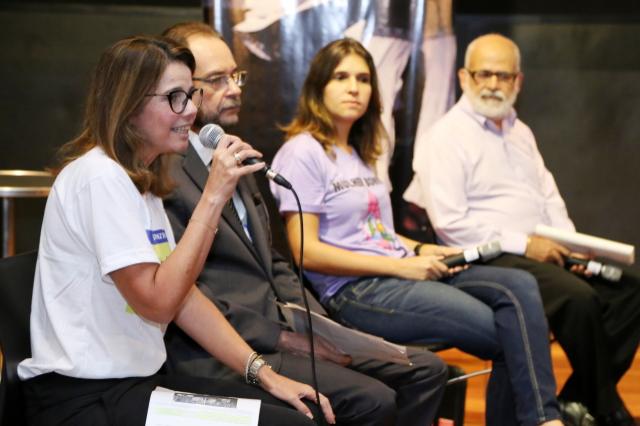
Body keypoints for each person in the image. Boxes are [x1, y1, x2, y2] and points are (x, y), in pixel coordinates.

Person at [16, 35, 335, 426]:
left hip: (136, 386)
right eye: (175, 98)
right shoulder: (99, 177)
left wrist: (265, 375)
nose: (191, 111)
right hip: (84, 398)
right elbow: (159, 303)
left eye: (191, 95)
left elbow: (185, 297)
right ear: (129, 105)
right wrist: (213, 197)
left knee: (296, 409)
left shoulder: (141, 182)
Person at [160, 21, 448, 426]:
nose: (235, 88)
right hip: (222, 350)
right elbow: (185, 292)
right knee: (374, 400)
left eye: (236, 76)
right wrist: (282, 337)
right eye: (218, 79)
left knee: (427, 371)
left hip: (280, 327)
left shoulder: (230, 152)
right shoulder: (164, 173)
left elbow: (274, 262)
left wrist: (318, 326)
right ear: (180, 90)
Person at [270, 37, 563, 426]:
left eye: (363, 79)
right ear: (318, 86)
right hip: (356, 291)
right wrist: (401, 267)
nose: (354, 88)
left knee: (520, 285)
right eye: (341, 77)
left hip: (398, 270)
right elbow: (306, 251)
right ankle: (544, 419)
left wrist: (422, 249)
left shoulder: (359, 151)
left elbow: (377, 232)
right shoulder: (303, 151)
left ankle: (543, 418)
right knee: (512, 335)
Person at [403, 33, 640, 426]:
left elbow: (548, 196)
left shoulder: (520, 131)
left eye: (504, 76)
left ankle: (579, 400)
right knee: (578, 298)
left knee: (629, 293)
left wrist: (569, 244)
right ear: (463, 77)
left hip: (539, 251)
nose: (493, 84)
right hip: (484, 257)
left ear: (519, 81)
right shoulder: (444, 136)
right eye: (484, 74)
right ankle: (606, 408)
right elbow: (451, 224)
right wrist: (525, 244)